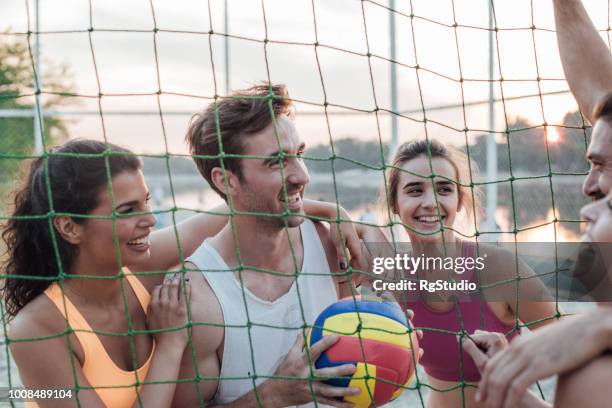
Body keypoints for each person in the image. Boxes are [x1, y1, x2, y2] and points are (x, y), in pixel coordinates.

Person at [2, 139, 363, 407]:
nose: (150, 220)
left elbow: (242, 210)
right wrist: (171, 344)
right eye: (127, 210)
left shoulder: (143, 262)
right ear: (69, 227)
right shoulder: (35, 330)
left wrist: (333, 212)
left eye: (146, 201)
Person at [170, 82, 398, 407]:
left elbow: (358, 364)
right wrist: (273, 394)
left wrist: (395, 337)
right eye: (277, 161)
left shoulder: (331, 242)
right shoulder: (197, 295)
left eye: (299, 155)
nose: (302, 175)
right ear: (225, 180)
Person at [465, 0, 612, 405]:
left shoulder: (595, 371)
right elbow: (601, 97)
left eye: (603, 167)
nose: (588, 189)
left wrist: (601, 328)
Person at [377, 139, 557, 408]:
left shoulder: (499, 267)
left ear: (459, 200)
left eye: (444, 189)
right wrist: (332, 210)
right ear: (394, 204)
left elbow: (579, 348)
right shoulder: (392, 276)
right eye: (415, 190)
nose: (430, 202)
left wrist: (513, 365)